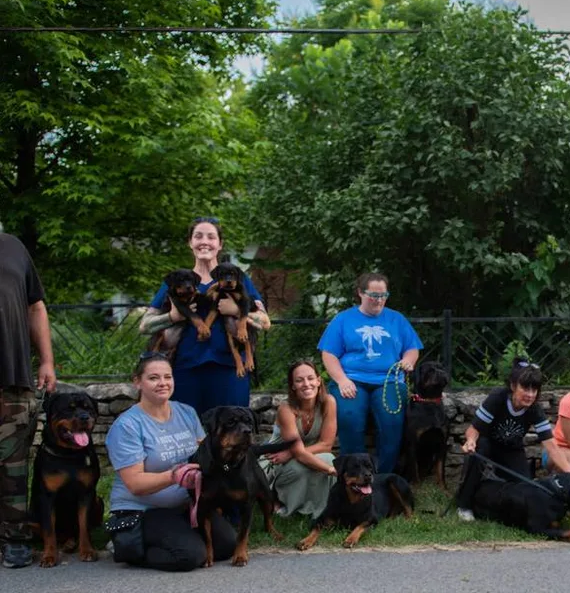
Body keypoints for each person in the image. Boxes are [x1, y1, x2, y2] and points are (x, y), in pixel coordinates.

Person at [105, 352, 236, 571]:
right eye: (154, 378)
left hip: (185, 506)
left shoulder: (186, 413)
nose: (163, 383)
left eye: (168, 377)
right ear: (137, 382)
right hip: (143, 510)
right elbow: (135, 484)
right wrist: (174, 476)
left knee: (227, 545)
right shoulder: (127, 426)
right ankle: (127, 545)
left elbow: (208, 458)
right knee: (190, 556)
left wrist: (227, 464)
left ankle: (180, 537)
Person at [139, 217, 270, 417]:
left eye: (211, 237)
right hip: (185, 370)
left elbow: (265, 322)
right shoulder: (176, 281)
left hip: (230, 370)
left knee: (231, 432)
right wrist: (173, 317)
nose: (204, 242)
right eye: (198, 236)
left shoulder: (238, 279)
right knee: (186, 434)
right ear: (190, 242)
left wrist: (236, 311)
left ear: (220, 244)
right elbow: (145, 326)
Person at [318, 272, 423, 474]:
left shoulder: (397, 319)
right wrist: (341, 380)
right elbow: (329, 354)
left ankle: (383, 476)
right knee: (349, 418)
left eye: (383, 295)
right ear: (360, 293)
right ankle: (356, 473)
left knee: (392, 423)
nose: (379, 300)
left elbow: (412, 348)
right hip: (351, 380)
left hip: (389, 380)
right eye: (373, 295)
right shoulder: (343, 319)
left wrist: (408, 361)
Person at [455, 359, 570, 522]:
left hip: (511, 449)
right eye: (525, 388)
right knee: (478, 450)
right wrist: (471, 441)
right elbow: (473, 430)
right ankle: (464, 504)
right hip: (487, 444)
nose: (530, 394)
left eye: (535, 389)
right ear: (513, 386)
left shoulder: (535, 410)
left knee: (524, 484)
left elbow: (552, 446)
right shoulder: (497, 398)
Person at [0, 233, 57, 569]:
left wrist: (47, 360)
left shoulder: (13, 246)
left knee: (13, 467)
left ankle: (15, 538)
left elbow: (35, 306)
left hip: (12, 378)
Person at [259, 359, 337, 519]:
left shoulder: (329, 402)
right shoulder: (286, 409)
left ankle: (319, 509)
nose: (306, 384)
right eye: (299, 380)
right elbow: (299, 453)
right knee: (311, 466)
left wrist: (292, 453)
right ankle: (285, 503)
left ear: (318, 380)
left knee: (328, 458)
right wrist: (331, 471)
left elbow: (327, 444)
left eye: (310, 378)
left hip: (298, 454)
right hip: (277, 460)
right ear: (293, 385)